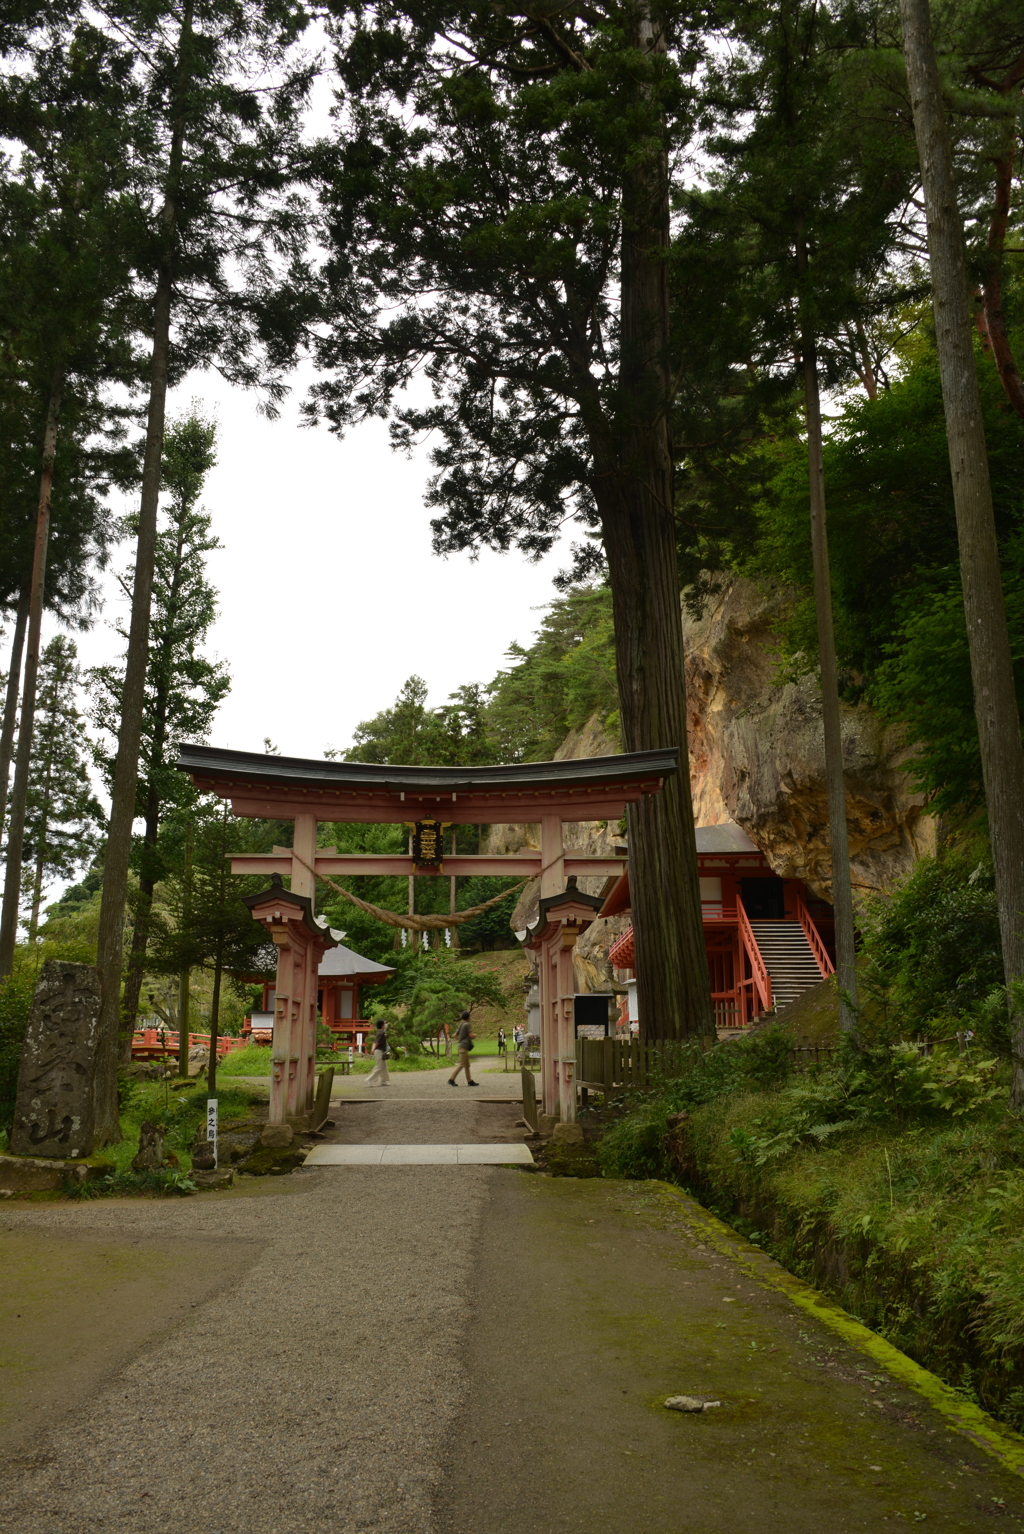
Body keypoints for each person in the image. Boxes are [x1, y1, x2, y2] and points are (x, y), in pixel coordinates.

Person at [447, 1011, 478, 1087]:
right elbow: (471, 1035)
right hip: (463, 1048)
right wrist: (474, 1036)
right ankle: (451, 1079)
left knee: (467, 1065)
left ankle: (469, 1081)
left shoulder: (461, 1024)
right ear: (468, 1017)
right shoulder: (467, 1025)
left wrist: (460, 1040)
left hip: (461, 1046)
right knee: (462, 1064)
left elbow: (454, 1035)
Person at [365, 1019, 391, 1086]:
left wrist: (373, 1049)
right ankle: (369, 1079)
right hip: (379, 1051)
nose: (386, 1024)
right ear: (382, 1025)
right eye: (385, 1023)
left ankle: (383, 1081)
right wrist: (373, 1049)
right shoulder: (381, 1033)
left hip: (380, 1051)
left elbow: (375, 1042)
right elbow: (377, 1042)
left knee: (384, 1066)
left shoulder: (380, 1032)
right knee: (379, 1066)